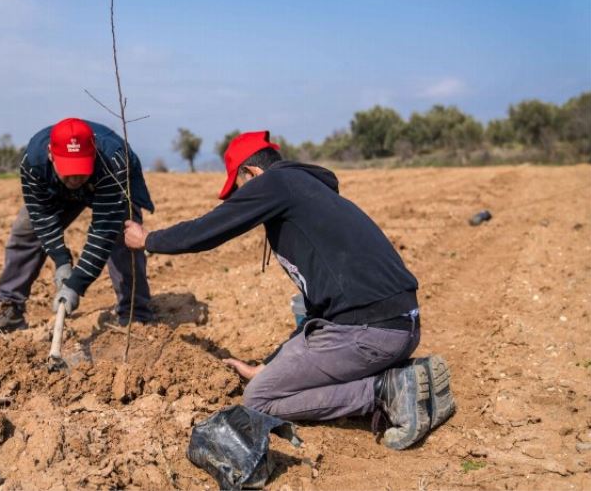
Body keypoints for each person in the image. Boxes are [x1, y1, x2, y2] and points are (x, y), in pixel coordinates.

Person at [124, 130, 455, 450]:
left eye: (238, 188)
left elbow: (208, 230)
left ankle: (384, 391)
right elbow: (319, 313)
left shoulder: (274, 182)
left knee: (260, 399)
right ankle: (409, 377)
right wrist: (268, 365)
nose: (241, 199)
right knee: (271, 378)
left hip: (367, 333)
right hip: (401, 327)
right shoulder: (308, 192)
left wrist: (148, 241)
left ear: (250, 172)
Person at [0, 118, 155, 340]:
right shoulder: (33, 161)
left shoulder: (113, 161)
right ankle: (10, 309)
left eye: (81, 169)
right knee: (26, 229)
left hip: (110, 182)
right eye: (68, 170)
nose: (76, 177)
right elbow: (41, 216)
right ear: (51, 155)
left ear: (94, 153)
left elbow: (102, 232)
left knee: (124, 235)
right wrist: (61, 261)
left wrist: (76, 284)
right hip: (56, 188)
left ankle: (136, 315)